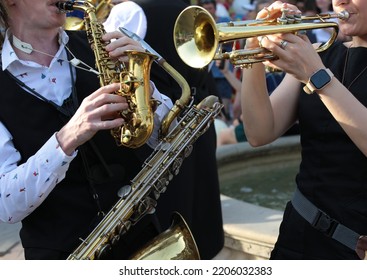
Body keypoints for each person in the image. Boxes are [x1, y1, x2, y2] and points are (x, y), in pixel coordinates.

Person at [0, 0, 174, 260]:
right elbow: (6, 205)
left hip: (141, 238)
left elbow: (168, 136)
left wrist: (143, 84)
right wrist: (67, 138)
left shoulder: (103, 45)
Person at [241, 0, 367, 259]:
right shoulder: (321, 55)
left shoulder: (314, 64)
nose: (339, 1)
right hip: (298, 232)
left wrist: (316, 75)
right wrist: (253, 50)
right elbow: (259, 132)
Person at [132, 0, 225, 260]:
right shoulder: (190, 10)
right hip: (197, 122)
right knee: (199, 208)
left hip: (158, 136)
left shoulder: (131, 11)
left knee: (170, 214)